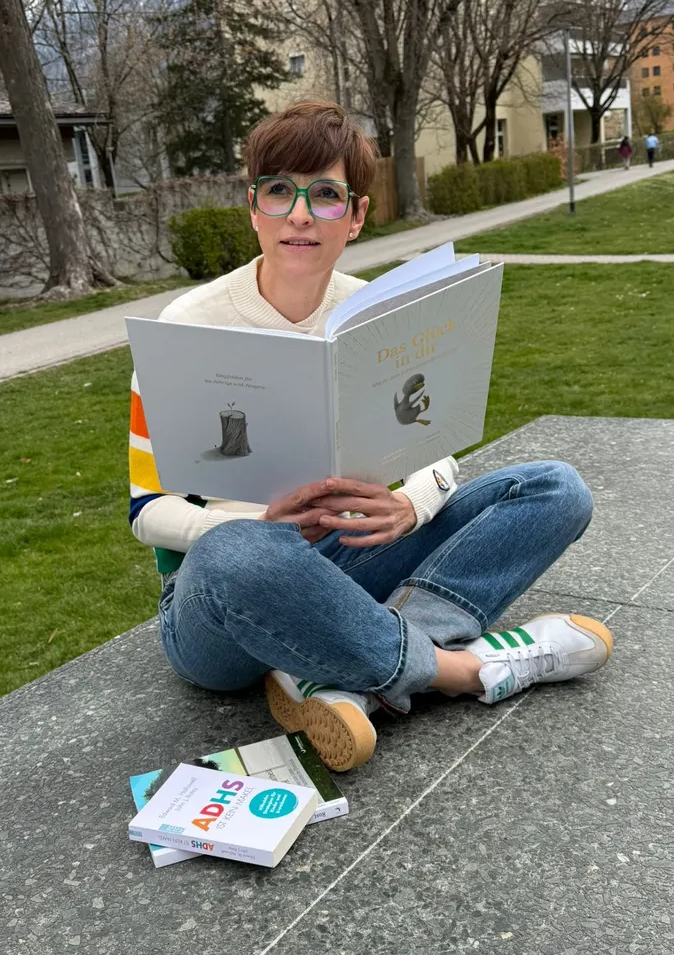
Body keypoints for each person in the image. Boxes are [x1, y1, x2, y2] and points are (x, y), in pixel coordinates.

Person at [128, 100, 613, 772]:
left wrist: (411, 503)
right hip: (222, 600)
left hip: (350, 551)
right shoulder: (185, 326)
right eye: (279, 192)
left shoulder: (379, 312)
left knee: (555, 489)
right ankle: (461, 669)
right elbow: (146, 512)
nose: (300, 214)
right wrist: (263, 526)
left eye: (325, 195)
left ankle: (337, 671)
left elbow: (434, 446)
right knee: (240, 550)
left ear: (355, 216)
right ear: (254, 207)